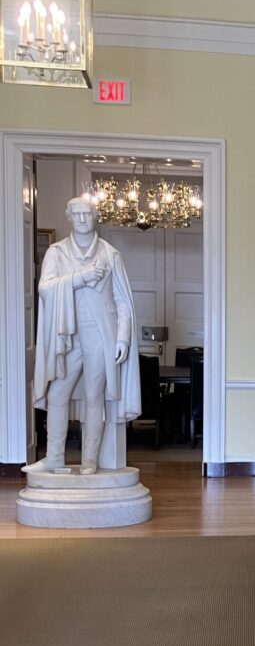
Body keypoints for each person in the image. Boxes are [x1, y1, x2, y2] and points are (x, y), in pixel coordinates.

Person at [32, 196, 141, 474]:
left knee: (96, 396)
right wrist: (82, 276)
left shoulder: (110, 254)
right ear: (69, 217)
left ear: (95, 216)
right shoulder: (57, 253)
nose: (82, 219)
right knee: (57, 393)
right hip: (66, 334)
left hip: (101, 333)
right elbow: (45, 289)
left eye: (88, 214)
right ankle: (55, 456)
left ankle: (89, 460)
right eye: (77, 214)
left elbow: (123, 302)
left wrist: (122, 338)